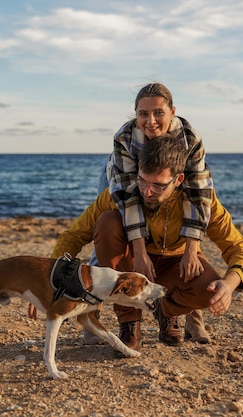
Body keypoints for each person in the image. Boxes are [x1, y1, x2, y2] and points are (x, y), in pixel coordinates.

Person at [51, 136, 243, 351]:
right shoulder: (120, 194)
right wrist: (50, 280)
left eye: (158, 186)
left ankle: (166, 311)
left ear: (178, 180)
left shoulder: (201, 202)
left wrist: (230, 284)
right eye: (142, 181)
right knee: (107, 222)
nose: (147, 191)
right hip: (131, 264)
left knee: (210, 290)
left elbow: (239, 247)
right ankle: (129, 323)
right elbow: (73, 235)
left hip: (175, 263)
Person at [87, 82, 214, 344]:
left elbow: (197, 197)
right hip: (125, 176)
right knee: (106, 230)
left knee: (185, 236)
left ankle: (192, 317)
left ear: (172, 112)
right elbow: (130, 199)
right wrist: (140, 252)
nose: (151, 121)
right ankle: (95, 316)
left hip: (167, 181)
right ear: (135, 114)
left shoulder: (190, 139)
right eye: (143, 114)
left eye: (158, 113)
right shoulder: (124, 138)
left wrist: (191, 249)